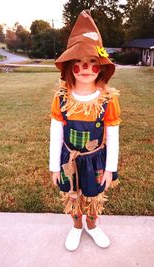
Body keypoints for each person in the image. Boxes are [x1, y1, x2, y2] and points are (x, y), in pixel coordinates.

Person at [49, 10, 122, 251]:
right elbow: (56, 133)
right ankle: (76, 226)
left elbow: (112, 134)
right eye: (79, 65)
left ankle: (92, 226)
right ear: (70, 68)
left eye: (92, 63)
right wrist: (53, 166)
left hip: (95, 160)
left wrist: (110, 169)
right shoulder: (61, 97)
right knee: (72, 197)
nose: (86, 69)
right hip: (68, 158)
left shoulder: (108, 99)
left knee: (92, 198)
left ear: (101, 67)